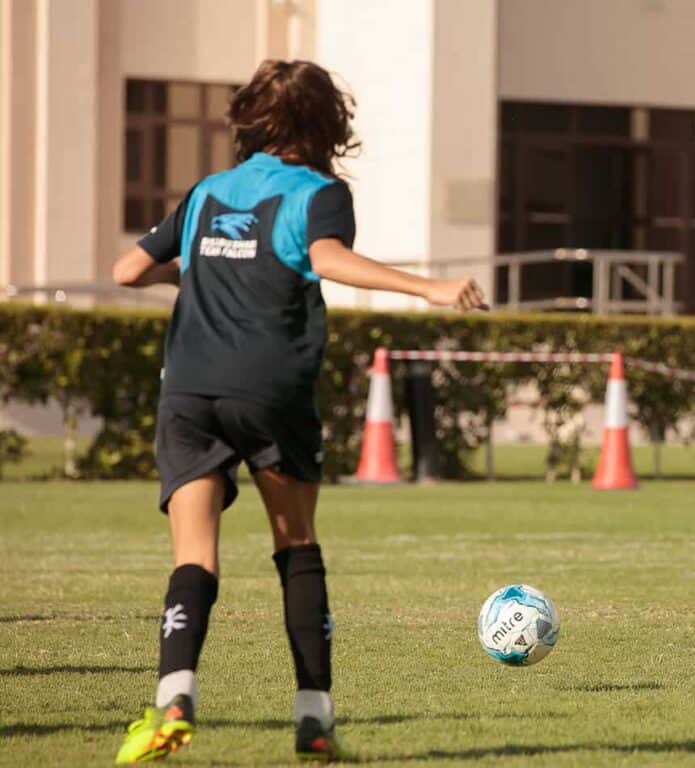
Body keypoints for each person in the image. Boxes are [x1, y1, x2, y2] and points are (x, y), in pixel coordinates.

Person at [111, 59, 486, 764]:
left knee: (195, 554)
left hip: (188, 390)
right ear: (326, 124)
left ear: (249, 118)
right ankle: (314, 720)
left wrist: (209, 259)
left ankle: (173, 702)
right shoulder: (319, 193)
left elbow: (127, 270)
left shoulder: (207, 192)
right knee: (296, 545)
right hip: (270, 388)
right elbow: (327, 257)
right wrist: (428, 287)